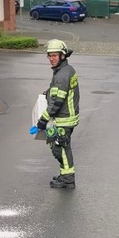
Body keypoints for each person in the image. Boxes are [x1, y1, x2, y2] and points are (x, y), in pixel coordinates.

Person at [35, 39, 80, 190]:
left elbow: (57, 103)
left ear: (63, 56)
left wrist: (43, 120)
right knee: (61, 147)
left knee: (60, 148)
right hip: (67, 118)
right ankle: (65, 175)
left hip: (64, 119)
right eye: (50, 55)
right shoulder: (65, 71)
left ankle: (67, 179)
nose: (51, 58)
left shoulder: (62, 75)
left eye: (54, 55)